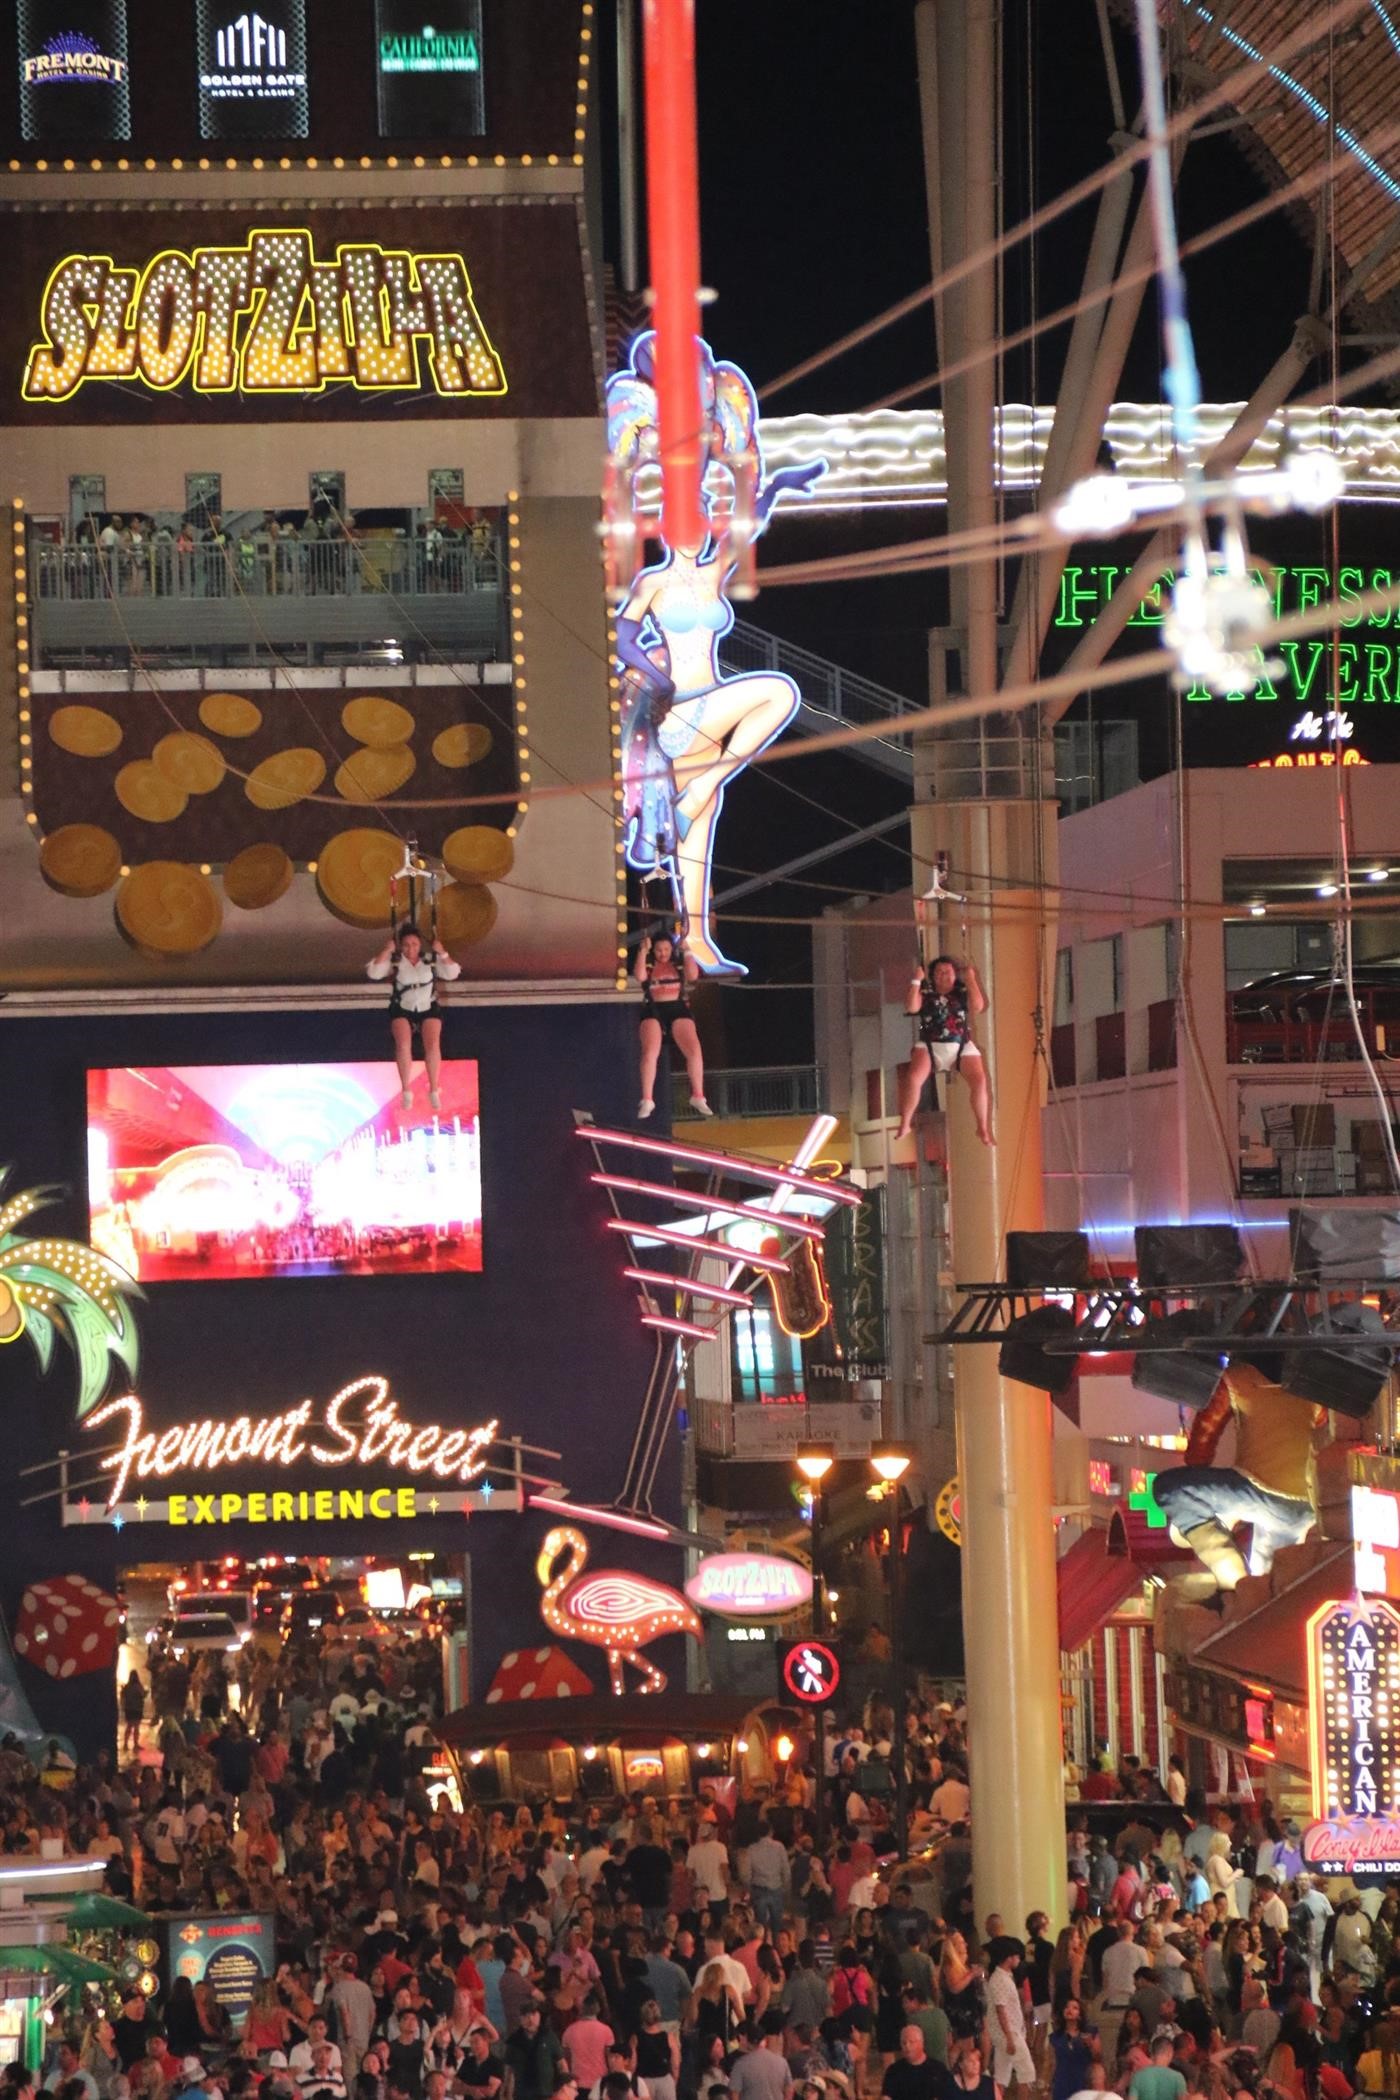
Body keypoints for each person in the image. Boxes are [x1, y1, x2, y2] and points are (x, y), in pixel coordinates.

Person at [894, 956, 993, 1146]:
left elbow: (978, 1007)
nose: (944, 975)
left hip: (961, 1044)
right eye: (939, 972)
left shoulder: (962, 993)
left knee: (980, 1081)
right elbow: (911, 1006)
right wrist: (916, 980)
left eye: (948, 971)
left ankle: (982, 1126)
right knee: (914, 1078)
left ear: (955, 975)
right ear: (933, 977)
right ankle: (905, 1122)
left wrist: (971, 978)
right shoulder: (926, 994)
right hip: (931, 1044)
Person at [366, 924, 461, 1109]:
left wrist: (442, 952)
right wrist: (387, 950)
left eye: (415, 944)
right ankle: (406, 1089)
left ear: (420, 945)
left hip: (427, 1006)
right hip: (403, 1008)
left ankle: (434, 1088)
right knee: (403, 1045)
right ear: (401, 946)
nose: (411, 949)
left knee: (433, 1044)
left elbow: (452, 973)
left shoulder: (430, 961)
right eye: (407, 945)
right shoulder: (396, 962)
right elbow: (374, 972)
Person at [634, 931, 710, 1119]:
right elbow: (639, 976)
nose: (663, 953)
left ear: (671, 949)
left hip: (677, 1008)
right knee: (651, 1052)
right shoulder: (650, 966)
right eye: (659, 950)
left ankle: (698, 1095)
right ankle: (647, 1098)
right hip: (653, 1008)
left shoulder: (678, 965)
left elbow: (693, 975)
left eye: (666, 949)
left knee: (694, 1050)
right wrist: (643, 951)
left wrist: (687, 952)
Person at [985, 1939, 1034, 2092]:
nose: (1019, 1959)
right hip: (1008, 2034)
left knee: (1002, 2075)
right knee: (1027, 2073)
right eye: (1016, 1956)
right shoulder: (1000, 1979)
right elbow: (1001, 2010)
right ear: (1008, 1958)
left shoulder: (1002, 1977)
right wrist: (1010, 2038)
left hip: (1005, 2034)